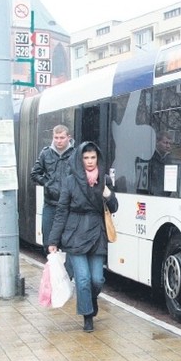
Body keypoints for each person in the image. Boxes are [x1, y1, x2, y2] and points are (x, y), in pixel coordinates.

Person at [48, 141, 118, 332]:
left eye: (93, 157)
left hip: (97, 234)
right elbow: (61, 211)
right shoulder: (70, 181)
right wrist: (53, 241)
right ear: (80, 160)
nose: (89, 161)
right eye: (85, 158)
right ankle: (87, 315)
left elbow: (114, 208)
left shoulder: (104, 180)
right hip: (75, 233)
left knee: (97, 279)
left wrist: (108, 195)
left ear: (98, 159)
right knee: (83, 279)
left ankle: (91, 299)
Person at [30, 125, 75, 254]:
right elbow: (34, 173)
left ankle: (67, 272)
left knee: (68, 242)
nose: (58, 141)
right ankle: (52, 270)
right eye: (56, 137)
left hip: (69, 205)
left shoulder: (75, 154)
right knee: (48, 243)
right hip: (50, 204)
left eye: (62, 138)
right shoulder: (46, 153)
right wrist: (48, 183)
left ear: (68, 138)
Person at [149, 131, 173, 195]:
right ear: (157, 142)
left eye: (170, 144)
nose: (168, 146)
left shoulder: (169, 160)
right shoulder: (149, 157)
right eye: (165, 143)